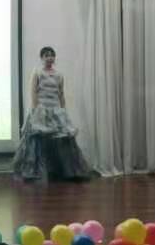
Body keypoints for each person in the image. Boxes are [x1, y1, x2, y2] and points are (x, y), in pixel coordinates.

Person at [12, 46, 94, 182]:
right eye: (46, 55)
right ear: (42, 58)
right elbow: (33, 92)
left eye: (52, 55)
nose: (49, 58)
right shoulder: (37, 73)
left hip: (56, 110)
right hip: (41, 109)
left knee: (62, 140)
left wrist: (63, 111)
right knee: (38, 141)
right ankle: (36, 172)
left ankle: (63, 171)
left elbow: (61, 94)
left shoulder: (59, 75)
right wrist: (36, 110)